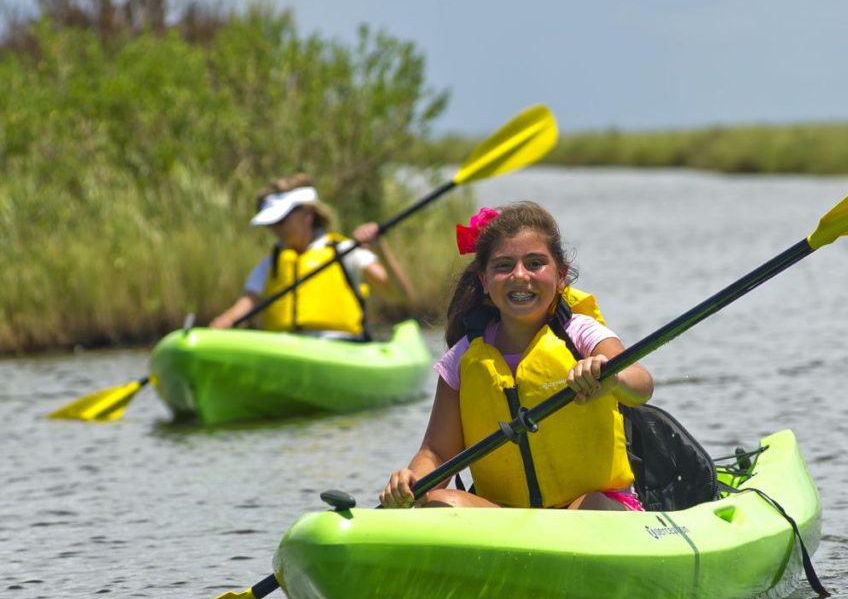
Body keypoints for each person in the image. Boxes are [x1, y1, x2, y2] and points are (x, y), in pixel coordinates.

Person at [380, 201, 654, 510]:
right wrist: (410, 483)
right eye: (503, 265)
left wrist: (612, 377)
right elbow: (437, 453)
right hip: (506, 517)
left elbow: (641, 384)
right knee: (439, 502)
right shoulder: (464, 357)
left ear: (560, 275)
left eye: (535, 263)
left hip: (591, 508)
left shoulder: (581, 333)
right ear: (484, 280)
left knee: (593, 507)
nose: (520, 275)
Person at [209, 173, 412, 337]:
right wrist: (222, 323)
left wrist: (380, 248)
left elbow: (400, 295)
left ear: (308, 215)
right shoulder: (271, 263)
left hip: (342, 349)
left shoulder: (345, 252)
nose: (275, 229)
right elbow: (244, 305)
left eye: (281, 221)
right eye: (271, 224)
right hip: (284, 351)